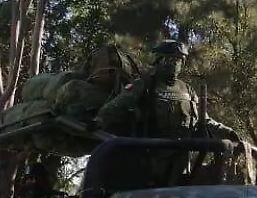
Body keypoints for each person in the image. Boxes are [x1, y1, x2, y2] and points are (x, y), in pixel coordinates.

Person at [96, 40, 240, 140]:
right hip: (147, 159)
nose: (174, 65)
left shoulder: (188, 90)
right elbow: (116, 106)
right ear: (159, 61)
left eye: (179, 60)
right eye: (170, 60)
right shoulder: (144, 85)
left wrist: (226, 132)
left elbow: (204, 120)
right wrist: (99, 121)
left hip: (181, 161)